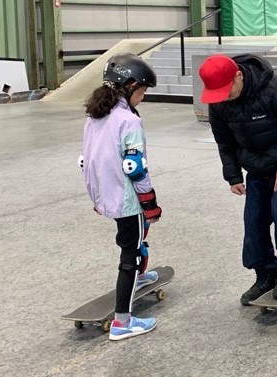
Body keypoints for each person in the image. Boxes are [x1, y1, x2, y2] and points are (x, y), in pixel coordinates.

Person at [198, 54, 277, 305]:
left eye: (225, 90)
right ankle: (265, 273)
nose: (222, 97)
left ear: (238, 76)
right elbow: (225, 142)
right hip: (256, 167)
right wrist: (232, 175)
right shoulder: (219, 101)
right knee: (254, 220)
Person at [80, 53, 162, 340]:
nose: (143, 97)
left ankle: (140, 278)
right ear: (129, 86)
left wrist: (97, 195)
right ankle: (122, 322)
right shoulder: (128, 120)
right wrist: (149, 202)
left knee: (131, 239)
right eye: (142, 91)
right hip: (128, 199)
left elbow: (88, 159)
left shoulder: (96, 115)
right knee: (131, 252)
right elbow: (135, 168)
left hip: (107, 193)